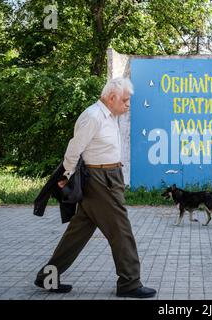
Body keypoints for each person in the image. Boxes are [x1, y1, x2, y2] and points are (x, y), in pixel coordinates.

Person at [34, 77, 156, 298]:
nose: (128, 105)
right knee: (121, 231)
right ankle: (129, 283)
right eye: (126, 100)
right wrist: (66, 176)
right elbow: (74, 150)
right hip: (100, 181)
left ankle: (47, 277)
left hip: (109, 177)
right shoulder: (93, 116)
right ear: (111, 98)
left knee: (77, 233)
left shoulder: (110, 116)